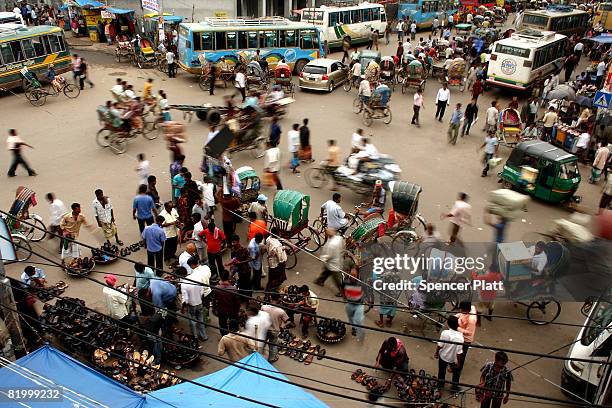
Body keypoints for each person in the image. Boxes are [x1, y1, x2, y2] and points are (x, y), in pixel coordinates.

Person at [180, 260, 208, 342]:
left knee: (192, 321)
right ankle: (204, 336)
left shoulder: (183, 284)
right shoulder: (196, 277)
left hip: (191, 305)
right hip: (199, 302)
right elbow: (202, 291)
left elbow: (186, 299)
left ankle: (195, 336)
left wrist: (183, 307)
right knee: (200, 319)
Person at [435, 315, 464, 392]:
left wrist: (436, 353)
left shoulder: (445, 333)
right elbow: (459, 353)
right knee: (456, 373)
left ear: (448, 324)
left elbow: (440, 345)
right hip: (453, 359)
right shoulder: (460, 337)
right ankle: (454, 387)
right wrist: (459, 363)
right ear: (457, 325)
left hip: (443, 356)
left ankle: (440, 385)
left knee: (441, 371)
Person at [314, 229, 345, 296]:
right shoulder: (339, 238)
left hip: (333, 264)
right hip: (336, 260)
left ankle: (342, 292)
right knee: (326, 271)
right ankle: (320, 280)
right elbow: (343, 245)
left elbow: (328, 256)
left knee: (337, 279)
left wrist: (321, 258)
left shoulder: (331, 245)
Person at [261, 293, 291, 362]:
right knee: (273, 345)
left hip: (264, 329)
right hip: (274, 331)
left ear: (271, 298)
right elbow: (288, 321)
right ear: (279, 299)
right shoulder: (281, 311)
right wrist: (282, 326)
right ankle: (271, 359)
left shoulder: (264, 307)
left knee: (262, 343)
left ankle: (258, 355)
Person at [214, 268, 241, 335]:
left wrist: (215, 309)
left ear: (220, 278)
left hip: (222, 311)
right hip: (232, 310)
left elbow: (214, 300)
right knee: (233, 324)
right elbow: (237, 302)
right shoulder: (233, 289)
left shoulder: (217, 288)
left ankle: (224, 337)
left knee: (223, 326)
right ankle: (233, 337)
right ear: (228, 277)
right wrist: (237, 311)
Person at [343, 264, 365, 340]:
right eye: (351, 274)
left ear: (358, 274)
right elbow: (343, 289)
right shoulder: (345, 280)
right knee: (350, 317)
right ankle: (354, 328)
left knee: (358, 319)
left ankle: (358, 330)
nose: (352, 276)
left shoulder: (361, 281)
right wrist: (345, 298)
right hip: (349, 303)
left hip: (359, 304)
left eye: (354, 275)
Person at [455, 301, 477, 378]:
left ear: (466, 310)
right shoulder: (472, 308)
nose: (460, 310)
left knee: (461, 355)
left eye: (461, 309)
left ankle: (458, 369)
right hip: (462, 333)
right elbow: (461, 314)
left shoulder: (471, 320)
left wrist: (457, 328)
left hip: (466, 340)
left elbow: (468, 333)